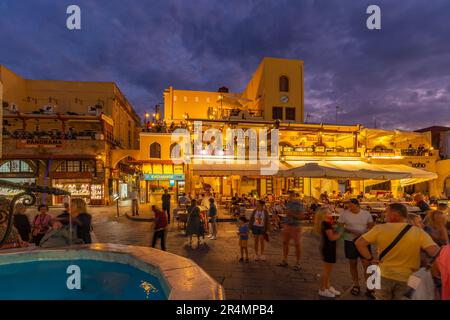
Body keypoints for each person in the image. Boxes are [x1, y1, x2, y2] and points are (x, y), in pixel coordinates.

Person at [356, 203, 440, 300]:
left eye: (386, 213)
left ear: (393, 214)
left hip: (384, 274)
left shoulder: (379, 229)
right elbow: (436, 252)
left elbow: (359, 243)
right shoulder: (418, 232)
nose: (385, 215)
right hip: (409, 277)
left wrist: (370, 259)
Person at [337, 198, 375, 298]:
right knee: (353, 263)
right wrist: (351, 231)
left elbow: (371, 226)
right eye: (348, 205)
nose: (348, 207)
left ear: (356, 205)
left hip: (364, 241)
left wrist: (365, 233)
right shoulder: (344, 214)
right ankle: (356, 284)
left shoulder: (366, 214)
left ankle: (370, 287)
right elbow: (339, 226)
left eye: (350, 205)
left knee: (366, 263)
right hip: (349, 241)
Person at [314, 207, 342, 298]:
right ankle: (322, 289)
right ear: (325, 214)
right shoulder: (326, 224)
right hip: (328, 249)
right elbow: (332, 238)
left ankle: (328, 286)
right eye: (329, 212)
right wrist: (340, 233)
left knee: (328, 271)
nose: (332, 213)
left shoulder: (325, 223)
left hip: (327, 248)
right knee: (326, 271)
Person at [278, 191, 304, 270]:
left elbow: (301, 216)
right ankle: (285, 260)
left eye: (290, 195)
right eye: (289, 195)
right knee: (285, 243)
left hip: (295, 226)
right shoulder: (288, 203)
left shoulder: (299, 204)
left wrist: (291, 214)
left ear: (294, 196)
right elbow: (286, 213)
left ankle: (298, 263)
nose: (289, 197)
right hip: (287, 225)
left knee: (297, 245)